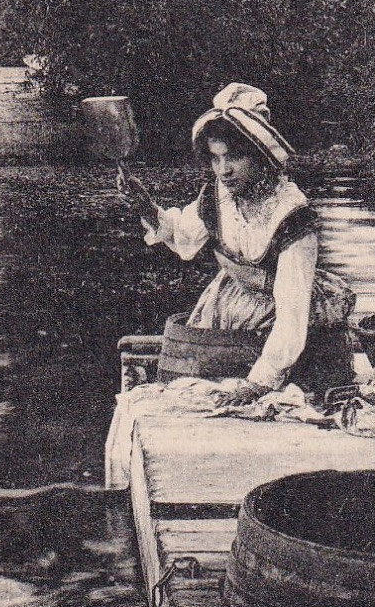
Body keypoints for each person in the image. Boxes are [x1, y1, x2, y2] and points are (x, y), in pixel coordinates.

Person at [119, 83, 356, 406]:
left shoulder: (292, 216)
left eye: (234, 157)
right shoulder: (218, 197)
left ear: (260, 156)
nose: (223, 171)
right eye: (215, 159)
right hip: (226, 306)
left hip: (284, 323)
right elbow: (182, 237)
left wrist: (259, 382)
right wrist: (145, 205)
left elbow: (292, 313)